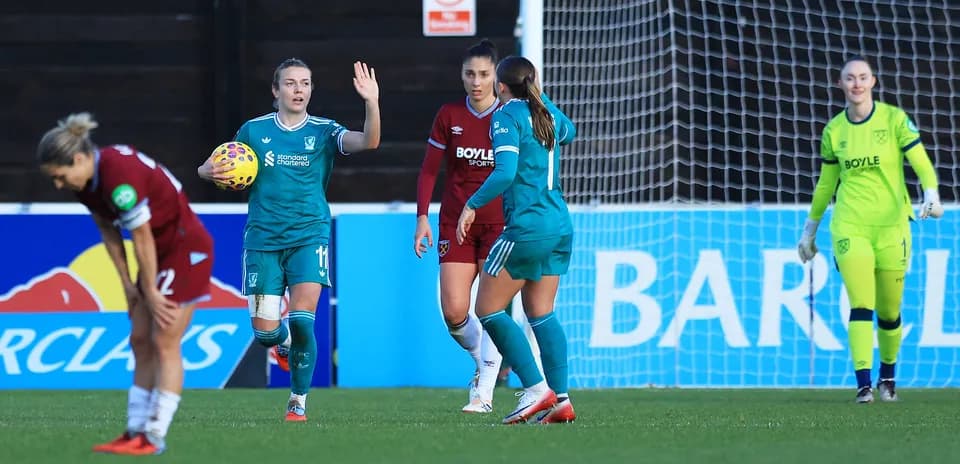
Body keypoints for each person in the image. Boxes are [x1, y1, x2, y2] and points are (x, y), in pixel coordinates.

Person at [198, 58, 380, 421]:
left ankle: (298, 399)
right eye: (291, 83)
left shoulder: (325, 131)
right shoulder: (253, 130)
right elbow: (217, 164)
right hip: (263, 239)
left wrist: (371, 102)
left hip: (309, 235)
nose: (299, 90)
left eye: (305, 83)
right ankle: (280, 345)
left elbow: (369, 142)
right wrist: (206, 171)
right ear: (275, 90)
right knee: (265, 332)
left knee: (301, 319)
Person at [37, 113, 214, 455]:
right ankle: (134, 430)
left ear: (78, 159)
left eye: (60, 177)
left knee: (164, 340)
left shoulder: (119, 178)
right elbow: (108, 230)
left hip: (184, 249)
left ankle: (154, 435)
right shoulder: (86, 182)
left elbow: (142, 236)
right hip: (158, 255)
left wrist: (148, 288)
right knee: (138, 338)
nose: (59, 185)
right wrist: (128, 286)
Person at [797, 56, 942, 403]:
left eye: (863, 77)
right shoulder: (834, 131)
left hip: (893, 226)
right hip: (850, 225)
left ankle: (887, 377)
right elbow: (825, 183)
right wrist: (809, 231)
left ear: (873, 82)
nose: (857, 84)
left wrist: (932, 194)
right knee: (861, 303)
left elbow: (920, 160)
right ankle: (863, 385)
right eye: (850, 78)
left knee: (890, 311)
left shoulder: (894, 120)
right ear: (841, 84)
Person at [456, 56, 577, 424]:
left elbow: (505, 172)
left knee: (487, 309)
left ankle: (537, 389)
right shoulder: (548, 114)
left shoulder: (506, 115)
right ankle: (562, 401)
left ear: (501, 87)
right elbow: (570, 130)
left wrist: (471, 205)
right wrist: (539, 97)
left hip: (526, 228)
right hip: (559, 226)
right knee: (541, 313)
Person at [414, 39, 506, 413]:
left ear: (496, 75)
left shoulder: (511, 116)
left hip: (500, 223)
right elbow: (429, 170)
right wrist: (421, 216)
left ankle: (483, 391)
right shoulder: (449, 115)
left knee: (490, 308)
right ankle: (487, 356)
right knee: (454, 311)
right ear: (462, 75)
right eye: (470, 74)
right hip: (455, 222)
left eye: (484, 74)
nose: (477, 81)